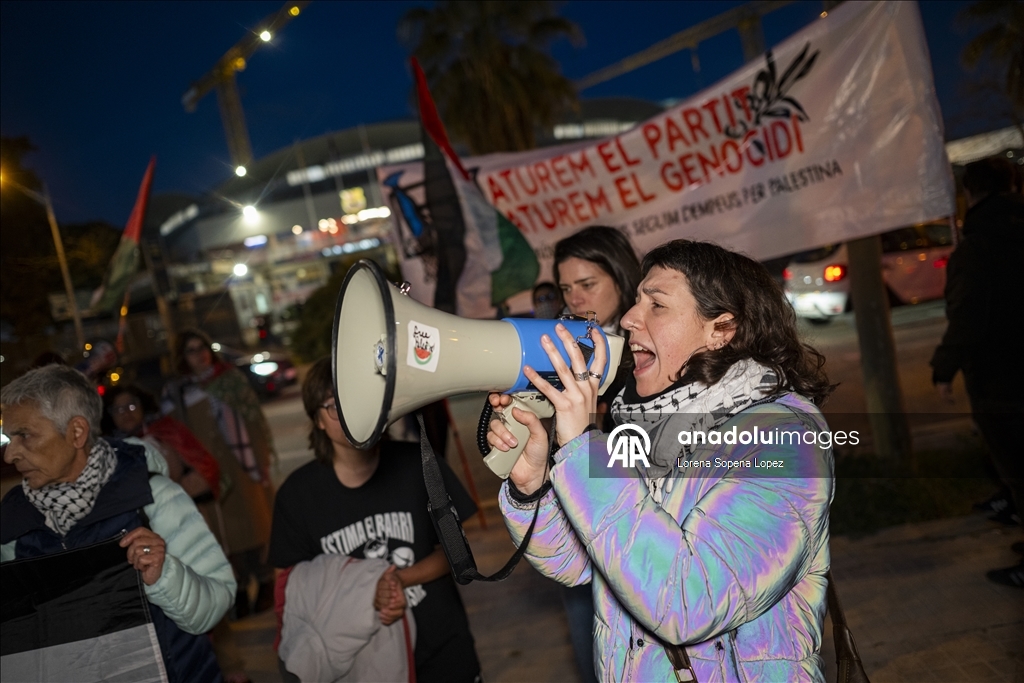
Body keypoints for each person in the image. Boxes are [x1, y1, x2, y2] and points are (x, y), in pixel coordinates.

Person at [489, 239, 835, 681]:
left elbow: (688, 602)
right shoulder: (649, 423)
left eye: (657, 304)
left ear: (721, 329)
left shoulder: (784, 440)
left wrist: (579, 446)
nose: (631, 319)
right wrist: (532, 484)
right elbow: (578, 562)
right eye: (636, 301)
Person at [1, 364, 234, 682]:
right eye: (8, 437)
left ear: (76, 433)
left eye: (24, 436)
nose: (10, 454)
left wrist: (164, 575)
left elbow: (215, 605)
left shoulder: (152, 497)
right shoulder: (13, 524)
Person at [269, 357, 482, 683]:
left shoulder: (419, 463)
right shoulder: (297, 496)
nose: (351, 412)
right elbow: (291, 588)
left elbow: (457, 553)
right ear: (318, 421)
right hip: (359, 665)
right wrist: (363, 594)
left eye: (358, 397)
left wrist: (399, 580)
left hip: (443, 650)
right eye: (334, 406)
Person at [550, 225, 641, 682]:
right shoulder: (564, 347)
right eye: (567, 288)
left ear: (622, 278)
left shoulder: (648, 354)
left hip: (636, 535)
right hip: (580, 538)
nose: (576, 299)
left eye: (588, 284)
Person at [931, 156, 1024, 588]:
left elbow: (970, 315)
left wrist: (944, 367)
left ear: (970, 192)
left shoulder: (979, 245)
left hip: (1001, 375)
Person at [165, 328, 276, 617]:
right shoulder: (179, 392)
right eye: (191, 350)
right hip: (207, 473)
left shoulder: (231, 381)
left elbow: (254, 421)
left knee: (255, 525)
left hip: (241, 465)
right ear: (182, 357)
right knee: (223, 534)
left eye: (202, 347)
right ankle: (237, 589)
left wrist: (261, 460)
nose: (199, 354)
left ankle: (266, 583)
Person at [105, 383, 223, 535]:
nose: (126, 413)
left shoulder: (166, 431)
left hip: (186, 519)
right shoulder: (108, 451)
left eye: (132, 405)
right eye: (118, 409)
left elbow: (205, 467)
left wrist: (176, 492)